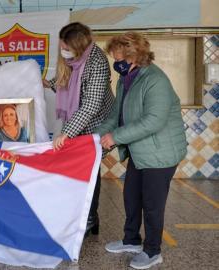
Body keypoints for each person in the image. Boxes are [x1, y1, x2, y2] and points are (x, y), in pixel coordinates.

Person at [95, 32, 187, 269]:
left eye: (118, 56)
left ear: (134, 55)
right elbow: (116, 115)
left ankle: (153, 251)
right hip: (140, 151)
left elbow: (153, 121)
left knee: (152, 204)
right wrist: (95, 137)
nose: (115, 61)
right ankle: (132, 240)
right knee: (131, 197)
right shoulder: (126, 78)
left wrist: (114, 137)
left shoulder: (155, 80)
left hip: (160, 153)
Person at [43, 22, 114, 236]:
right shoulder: (73, 57)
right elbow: (69, 80)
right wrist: (49, 83)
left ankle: (90, 218)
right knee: (80, 170)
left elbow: (91, 103)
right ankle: (82, 216)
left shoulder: (97, 61)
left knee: (91, 169)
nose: (63, 51)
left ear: (78, 45)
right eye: (62, 46)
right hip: (79, 121)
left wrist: (66, 133)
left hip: (98, 122)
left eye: (66, 47)